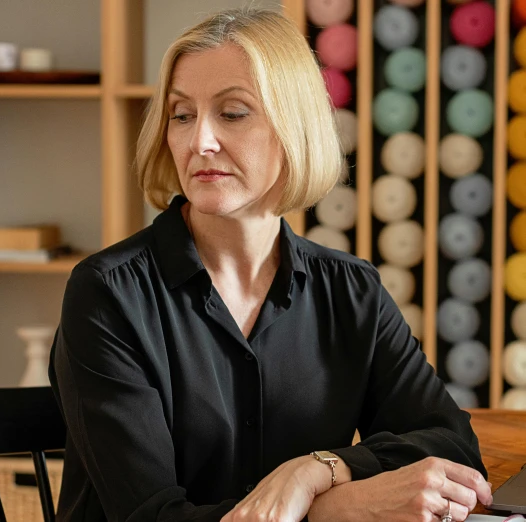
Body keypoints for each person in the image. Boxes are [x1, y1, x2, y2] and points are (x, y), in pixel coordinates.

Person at [49, 7, 491, 522]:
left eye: (232, 113)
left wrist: (316, 472)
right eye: (182, 114)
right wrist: (330, 510)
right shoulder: (108, 294)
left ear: (293, 126)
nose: (200, 142)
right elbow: (152, 516)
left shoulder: (350, 290)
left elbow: (454, 449)